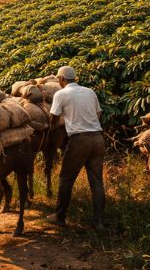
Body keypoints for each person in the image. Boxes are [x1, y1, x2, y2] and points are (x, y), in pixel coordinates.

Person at [48, 66, 106, 230]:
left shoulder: (61, 94)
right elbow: (98, 114)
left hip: (80, 141)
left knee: (66, 179)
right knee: (96, 182)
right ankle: (99, 222)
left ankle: (59, 217)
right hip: (97, 138)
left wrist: (56, 125)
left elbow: (54, 118)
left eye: (59, 79)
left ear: (61, 79)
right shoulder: (90, 92)